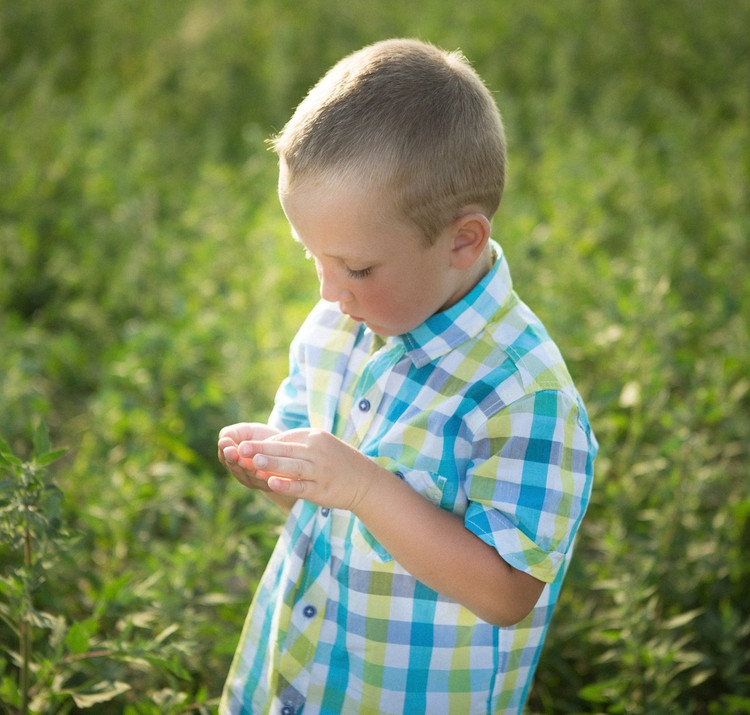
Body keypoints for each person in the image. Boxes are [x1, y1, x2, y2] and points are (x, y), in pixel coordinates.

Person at [217, 38, 597, 714]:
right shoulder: (336, 329)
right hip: (297, 677)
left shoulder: (523, 394)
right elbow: (322, 504)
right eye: (314, 258)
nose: (331, 292)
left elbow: (507, 591)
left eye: (357, 267)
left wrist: (363, 484)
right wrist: (279, 470)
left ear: (463, 240)